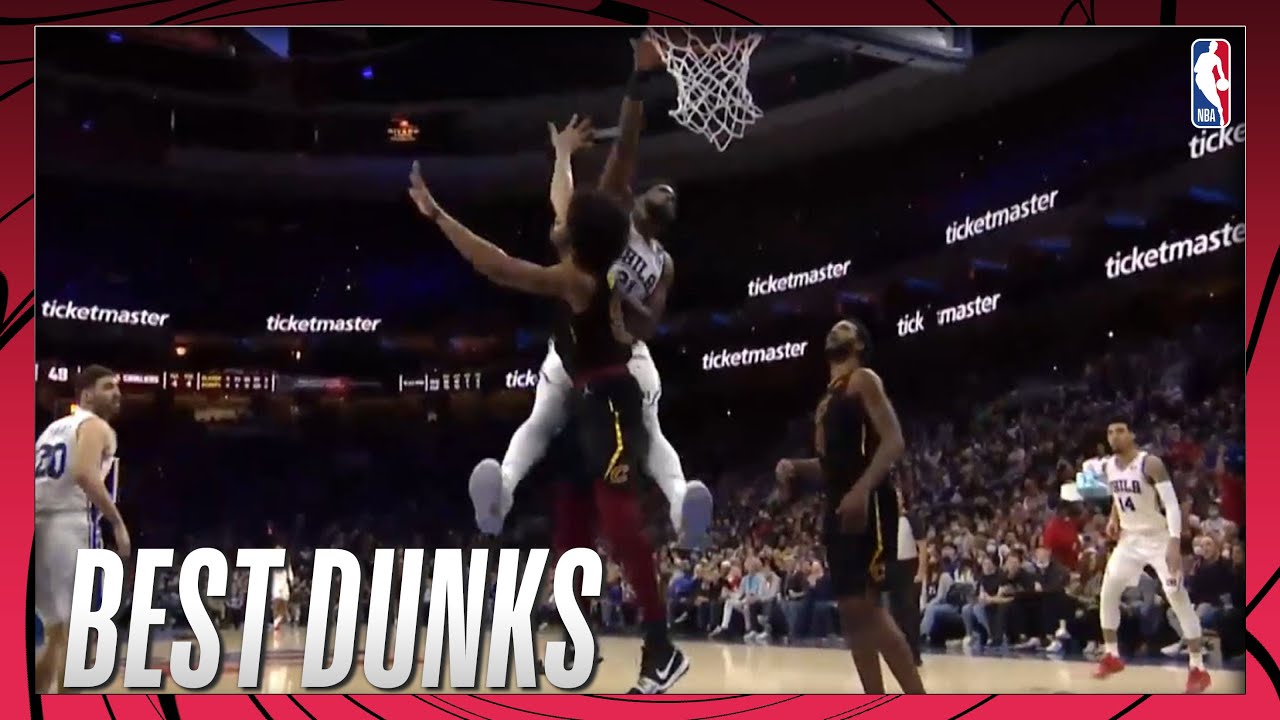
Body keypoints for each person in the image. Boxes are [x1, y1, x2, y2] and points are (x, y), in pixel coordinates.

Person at [407, 159, 688, 694]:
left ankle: (662, 649)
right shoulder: (592, 260)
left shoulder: (577, 278)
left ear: (577, 238)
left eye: (568, 223)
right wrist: (562, 155)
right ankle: (579, 639)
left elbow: (497, 266)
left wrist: (439, 215)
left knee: (620, 523)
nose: (560, 222)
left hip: (612, 399)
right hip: (586, 400)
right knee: (572, 521)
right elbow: (563, 201)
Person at [469, 37, 711, 547]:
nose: (668, 192)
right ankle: (500, 493)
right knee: (542, 419)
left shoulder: (664, 263)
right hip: (576, 343)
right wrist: (637, 82)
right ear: (637, 198)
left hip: (621, 352)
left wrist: (621, 299)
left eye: (673, 197)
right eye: (661, 188)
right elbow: (624, 147)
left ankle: (683, 502)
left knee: (649, 431)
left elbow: (650, 324)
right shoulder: (613, 215)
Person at [775, 319, 925, 694]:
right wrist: (796, 467)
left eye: (844, 328)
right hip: (840, 502)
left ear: (858, 345)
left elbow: (894, 441)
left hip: (869, 501)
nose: (834, 330)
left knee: (866, 608)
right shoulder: (828, 398)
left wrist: (861, 490)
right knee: (851, 613)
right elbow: (830, 467)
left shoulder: (863, 380)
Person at [1092, 418, 1211, 693]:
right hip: (1129, 539)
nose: (1114, 436)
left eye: (1120, 431)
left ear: (1132, 435)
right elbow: (1118, 496)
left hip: (1158, 537)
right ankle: (1111, 655)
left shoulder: (1151, 464)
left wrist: (1174, 543)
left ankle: (1198, 668)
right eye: (1110, 432)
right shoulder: (1109, 466)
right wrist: (1114, 518)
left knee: (1177, 598)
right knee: (1108, 592)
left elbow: (1171, 505)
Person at [34, 365, 129, 693]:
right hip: (71, 527)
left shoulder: (53, 429)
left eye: (117, 387)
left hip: (39, 529)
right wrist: (117, 522)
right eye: (108, 387)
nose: (117, 393)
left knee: (56, 634)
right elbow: (84, 473)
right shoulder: (96, 426)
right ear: (86, 395)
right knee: (81, 636)